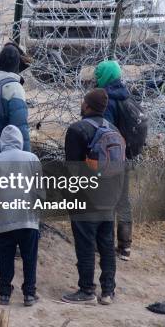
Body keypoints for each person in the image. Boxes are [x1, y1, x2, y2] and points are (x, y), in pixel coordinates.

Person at [62, 89, 120, 305]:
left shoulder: (77, 130)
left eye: (83, 101)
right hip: (110, 197)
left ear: (87, 105)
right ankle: (108, 292)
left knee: (86, 245)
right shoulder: (113, 129)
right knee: (106, 245)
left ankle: (86, 291)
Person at [0, 125, 43, 306]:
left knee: (5, 258)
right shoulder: (32, 158)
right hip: (28, 220)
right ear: (20, 141)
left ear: (3, 142)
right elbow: (40, 191)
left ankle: (4, 293)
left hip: (4, 220)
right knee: (29, 257)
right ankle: (29, 294)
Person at [95, 60, 133, 261]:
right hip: (126, 156)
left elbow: (105, 131)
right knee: (123, 201)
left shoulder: (107, 99)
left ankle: (102, 243)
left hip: (110, 158)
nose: (95, 79)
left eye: (98, 75)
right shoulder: (127, 95)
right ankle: (125, 247)